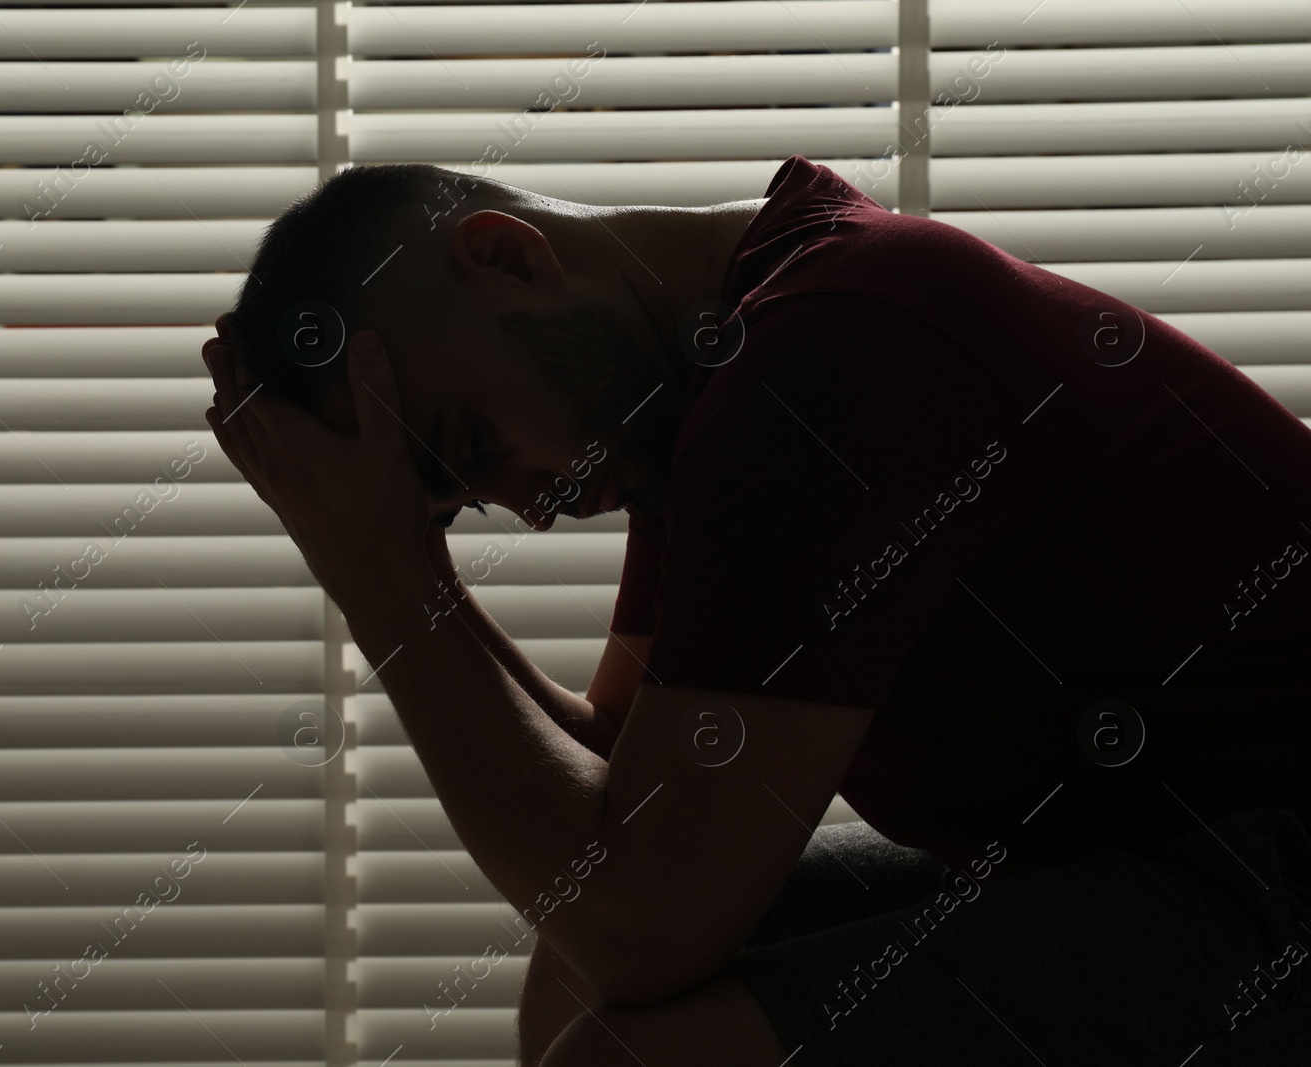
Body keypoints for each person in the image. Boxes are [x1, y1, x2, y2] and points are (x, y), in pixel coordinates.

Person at [200, 155, 1311, 1065]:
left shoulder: (831, 352)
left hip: (1271, 862)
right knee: (578, 976)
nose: (526, 510)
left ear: (505, 257)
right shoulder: (715, 378)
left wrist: (388, 577)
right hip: (1151, 853)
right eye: (464, 502)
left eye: (477, 445)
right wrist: (400, 564)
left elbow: (640, 919)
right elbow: (619, 780)